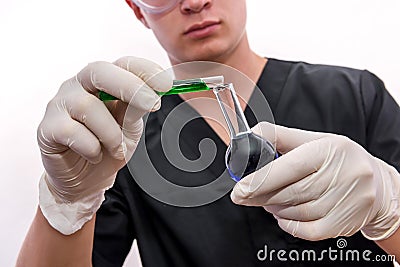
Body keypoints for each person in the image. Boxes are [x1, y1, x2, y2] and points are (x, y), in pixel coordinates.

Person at [17, 0, 400, 266]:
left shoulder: (355, 96)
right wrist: (65, 204)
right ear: (138, 10)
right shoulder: (120, 138)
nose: (194, 3)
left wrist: (390, 210)